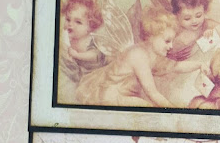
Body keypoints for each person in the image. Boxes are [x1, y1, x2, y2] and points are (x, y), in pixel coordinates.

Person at [75, 7, 206, 107]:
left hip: (126, 95)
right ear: (151, 37)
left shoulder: (153, 55)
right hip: (112, 96)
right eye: (167, 41)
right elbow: (152, 93)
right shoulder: (139, 55)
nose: (171, 46)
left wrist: (199, 65)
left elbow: (176, 66)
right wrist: (174, 111)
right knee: (147, 108)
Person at [59, 0, 107, 83]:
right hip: (79, 75)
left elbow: (96, 55)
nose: (70, 24)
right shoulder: (68, 39)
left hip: (95, 74)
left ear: (90, 27)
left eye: (78, 22)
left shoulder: (90, 40)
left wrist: (77, 55)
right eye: (68, 19)